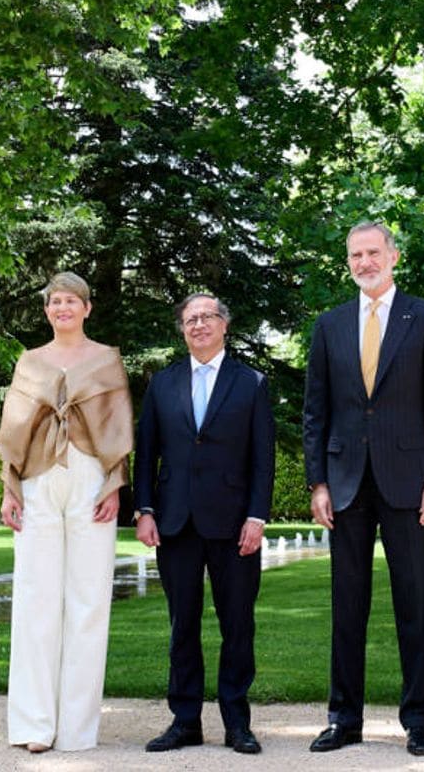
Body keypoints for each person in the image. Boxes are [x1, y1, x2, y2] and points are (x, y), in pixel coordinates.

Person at [303, 221, 424, 757]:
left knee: (415, 603)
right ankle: (343, 720)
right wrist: (317, 481)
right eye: (355, 255)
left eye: (373, 252)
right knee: (347, 605)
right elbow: (315, 412)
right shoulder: (329, 325)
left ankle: (419, 721)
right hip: (345, 485)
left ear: (393, 256)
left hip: (409, 484)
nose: (364, 262)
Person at [0, 271, 134, 753]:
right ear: (47, 310)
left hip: (91, 481)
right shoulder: (30, 362)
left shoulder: (106, 360)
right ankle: (34, 724)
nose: (63, 308)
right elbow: (14, 429)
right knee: (35, 599)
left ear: (87, 308)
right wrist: (10, 489)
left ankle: (77, 729)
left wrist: (115, 485)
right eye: (55, 301)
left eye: (71, 301)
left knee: (89, 601)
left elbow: (118, 428)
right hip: (37, 481)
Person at [134, 293, 275, 755]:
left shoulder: (251, 383)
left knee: (238, 625)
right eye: (190, 319)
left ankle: (237, 723)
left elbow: (262, 460)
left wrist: (257, 516)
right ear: (182, 329)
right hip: (174, 523)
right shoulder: (163, 384)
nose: (198, 325)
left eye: (207, 317)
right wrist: (145, 510)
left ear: (224, 325)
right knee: (182, 626)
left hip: (235, 525)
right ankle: (185, 720)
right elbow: (146, 453)